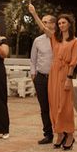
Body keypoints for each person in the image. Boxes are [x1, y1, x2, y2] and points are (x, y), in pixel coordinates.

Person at [28, 4, 77, 150]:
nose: (61, 25)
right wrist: (34, 13)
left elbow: (73, 61)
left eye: (63, 22)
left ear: (69, 24)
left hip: (65, 74)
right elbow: (43, 28)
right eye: (59, 23)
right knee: (54, 106)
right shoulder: (55, 39)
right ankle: (59, 133)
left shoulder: (75, 41)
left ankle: (69, 134)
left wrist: (69, 78)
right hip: (53, 75)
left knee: (65, 106)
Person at [30, 14, 56, 145]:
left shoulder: (57, 38)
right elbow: (33, 59)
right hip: (41, 77)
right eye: (43, 21)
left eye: (47, 22)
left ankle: (61, 133)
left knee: (56, 107)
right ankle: (48, 134)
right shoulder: (38, 40)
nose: (45, 24)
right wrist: (33, 74)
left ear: (54, 24)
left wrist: (34, 13)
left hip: (55, 78)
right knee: (44, 107)